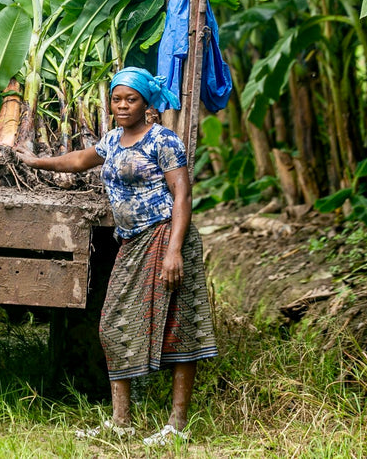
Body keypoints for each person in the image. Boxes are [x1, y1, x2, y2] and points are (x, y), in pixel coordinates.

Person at [16, 67, 217, 447]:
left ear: (146, 103)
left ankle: (177, 424)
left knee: (178, 329)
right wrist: (34, 161)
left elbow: (183, 197)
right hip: (132, 243)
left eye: (131, 99)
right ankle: (121, 421)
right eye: (117, 99)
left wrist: (174, 251)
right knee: (112, 326)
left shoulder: (164, 141)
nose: (123, 106)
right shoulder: (112, 140)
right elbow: (77, 161)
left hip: (166, 238)